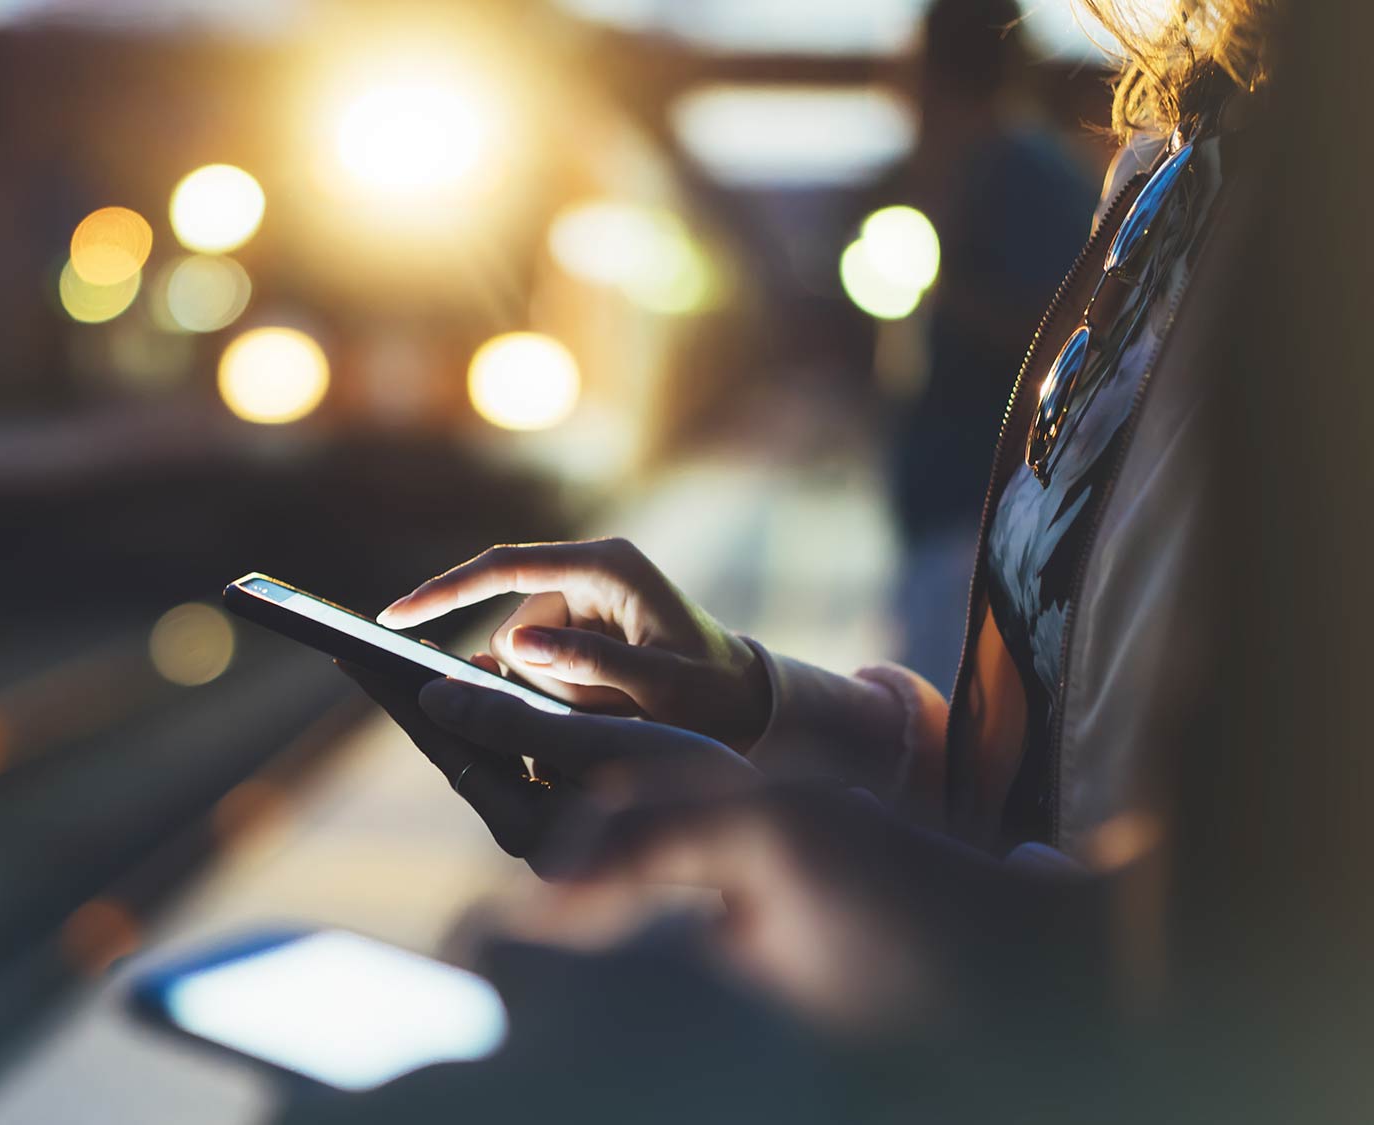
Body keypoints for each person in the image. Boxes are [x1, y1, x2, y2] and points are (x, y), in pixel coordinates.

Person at [344, 0, 1277, 1035]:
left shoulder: (1295, 216)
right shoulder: (1172, 169)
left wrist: (876, 896)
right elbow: (1051, 783)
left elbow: (1277, 975)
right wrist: (762, 710)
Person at [885, 0, 1098, 690]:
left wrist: (947, 300)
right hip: (965, 527)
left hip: (979, 532)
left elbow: (1060, 325)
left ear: (936, 68)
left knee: (944, 748)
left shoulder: (1018, 171)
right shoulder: (993, 167)